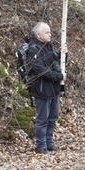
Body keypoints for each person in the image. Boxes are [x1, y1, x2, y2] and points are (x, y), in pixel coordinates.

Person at [27, 22, 66, 154]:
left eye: (49, 32)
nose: (50, 34)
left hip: (54, 89)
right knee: (42, 119)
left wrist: (63, 55)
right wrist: (59, 76)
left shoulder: (49, 46)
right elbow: (41, 71)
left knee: (53, 118)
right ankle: (41, 145)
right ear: (38, 35)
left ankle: (49, 143)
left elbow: (56, 63)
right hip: (42, 89)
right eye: (47, 32)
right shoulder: (33, 50)